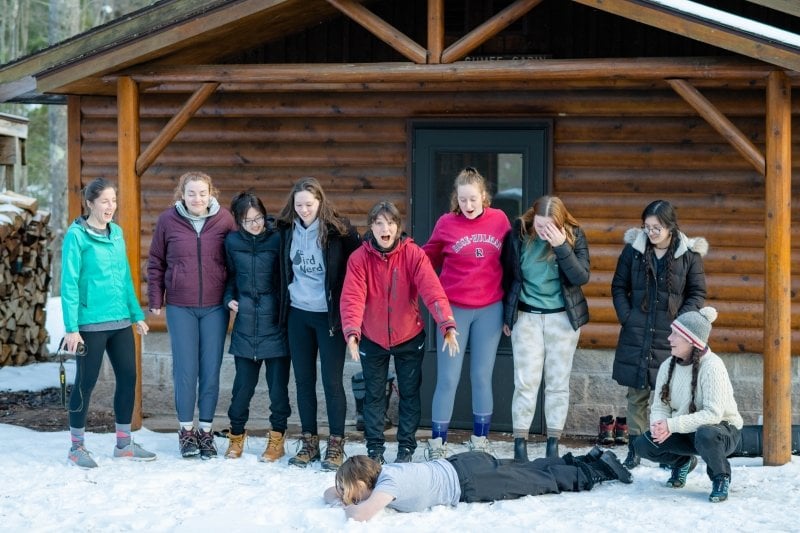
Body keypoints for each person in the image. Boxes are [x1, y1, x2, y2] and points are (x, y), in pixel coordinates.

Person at [340, 201, 460, 464]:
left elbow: (432, 290)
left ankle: (406, 448)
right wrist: (352, 331)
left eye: (391, 222)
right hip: (371, 338)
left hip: (409, 337)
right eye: (380, 223)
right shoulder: (359, 258)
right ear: (371, 227)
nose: (386, 228)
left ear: (398, 227)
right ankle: (375, 450)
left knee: (409, 393)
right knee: (373, 395)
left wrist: (447, 324)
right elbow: (353, 297)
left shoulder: (414, 254)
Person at [61, 178, 155, 468]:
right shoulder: (76, 236)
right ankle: (77, 446)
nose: (110, 207)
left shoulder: (117, 234)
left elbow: (125, 277)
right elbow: (69, 284)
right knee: (85, 384)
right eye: (104, 201)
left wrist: (136, 315)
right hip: (89, 324)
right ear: (90, 203)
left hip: (120, 322)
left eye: (113, 201)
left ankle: (124, 443)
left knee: (128, 378)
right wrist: (71, 328)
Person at [422, 167, 511, 458]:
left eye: (473, 199)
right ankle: (437, 442)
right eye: (463, 200)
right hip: (454, 310)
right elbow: (425, 261)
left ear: (484, 197)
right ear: (456, 199)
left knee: (481, 375)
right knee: (448, 377)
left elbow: (512, 263)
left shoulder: (499, 220)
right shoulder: (446, 224)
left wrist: (512, 310)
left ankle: (480, 438)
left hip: (490, 309)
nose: (468, 206)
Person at [611, 200, 707, 468]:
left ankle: (672, 452)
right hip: (637, 332)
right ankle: (636, 447)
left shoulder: (688, 256)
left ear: (670, 226)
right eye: (647, 227)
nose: (650, 232)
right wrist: (627, 317)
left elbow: (697, 293)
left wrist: (681, 324)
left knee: (671, 396)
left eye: (656, 228)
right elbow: (619, 286)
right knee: (637, 395)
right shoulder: (633, 252)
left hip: (672, 336)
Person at [147, 171, 236, 459]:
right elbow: (156, 262)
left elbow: (236, 261)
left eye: (202, 193)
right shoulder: (167, 221)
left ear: (212, 193)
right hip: (180, 306)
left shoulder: (225, 220)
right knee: (185, 371)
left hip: (214, 307)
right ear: (182, 194)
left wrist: (234, 295)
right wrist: (155, 298)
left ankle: (206, 432)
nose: (197, 198)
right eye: (191, 193)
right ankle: (186, 431)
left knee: (211, 370)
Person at [277, 177, 361, 471]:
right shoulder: (286, 230)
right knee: (302, 381)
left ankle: (335, 442)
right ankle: (309, 441)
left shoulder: (340, 231)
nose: (303, 210)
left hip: (329, 317)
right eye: (299, 205)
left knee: (331, 381)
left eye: (309, 204)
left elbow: (359, 266)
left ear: (320, 202)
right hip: (298, 315)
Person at [502, 196, 590, 462]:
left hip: (562, 320)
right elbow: (507, 275)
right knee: (525, 383)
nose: (543, 231)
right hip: (527, 317)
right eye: (540, 225)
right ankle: (520, 443)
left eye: (549, 226)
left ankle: (553, 443)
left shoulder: (574, 236)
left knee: (557, 383)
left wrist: (561, 245)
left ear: (560, 223)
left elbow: (580, 277)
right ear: (532, 218)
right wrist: (508, 316)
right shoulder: (518, 234)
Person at [324, 446, 632, 521]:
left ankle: (597, 471)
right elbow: (329, 493)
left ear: (364, 482)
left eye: (350, 491)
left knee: (536, 481)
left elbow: (361, 515)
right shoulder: (387, 472)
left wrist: (346, 504)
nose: (347, 497)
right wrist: (339, 493)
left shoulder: (387, 486)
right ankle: (582, 461)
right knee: (528, 470)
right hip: (465, 463)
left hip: (471, 481)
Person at [634, 307, 742, 503]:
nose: (669, 338)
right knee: (643, 445)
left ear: (692, 341)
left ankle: (720, 478)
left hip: (721, 432)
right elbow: (660, 406)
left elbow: (712, 415)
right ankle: (682, 462)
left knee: (706, 433)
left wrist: (672, 425)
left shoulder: (712, 366)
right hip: (686, 430)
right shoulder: (668, 365)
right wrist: (660, 426)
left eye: (675, 334)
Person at [222, 192, 290, 461]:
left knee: (278, 391)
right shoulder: (231, 242)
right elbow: (229, 276)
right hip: (245, 324)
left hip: (274, 323)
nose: (255, 224)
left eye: (259, 218)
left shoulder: (276, 239)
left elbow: (284, 277)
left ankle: (276, 439)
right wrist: (229, 299)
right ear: (238, 220)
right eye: (248, 220)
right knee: (242, 389)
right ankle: (236, 436)